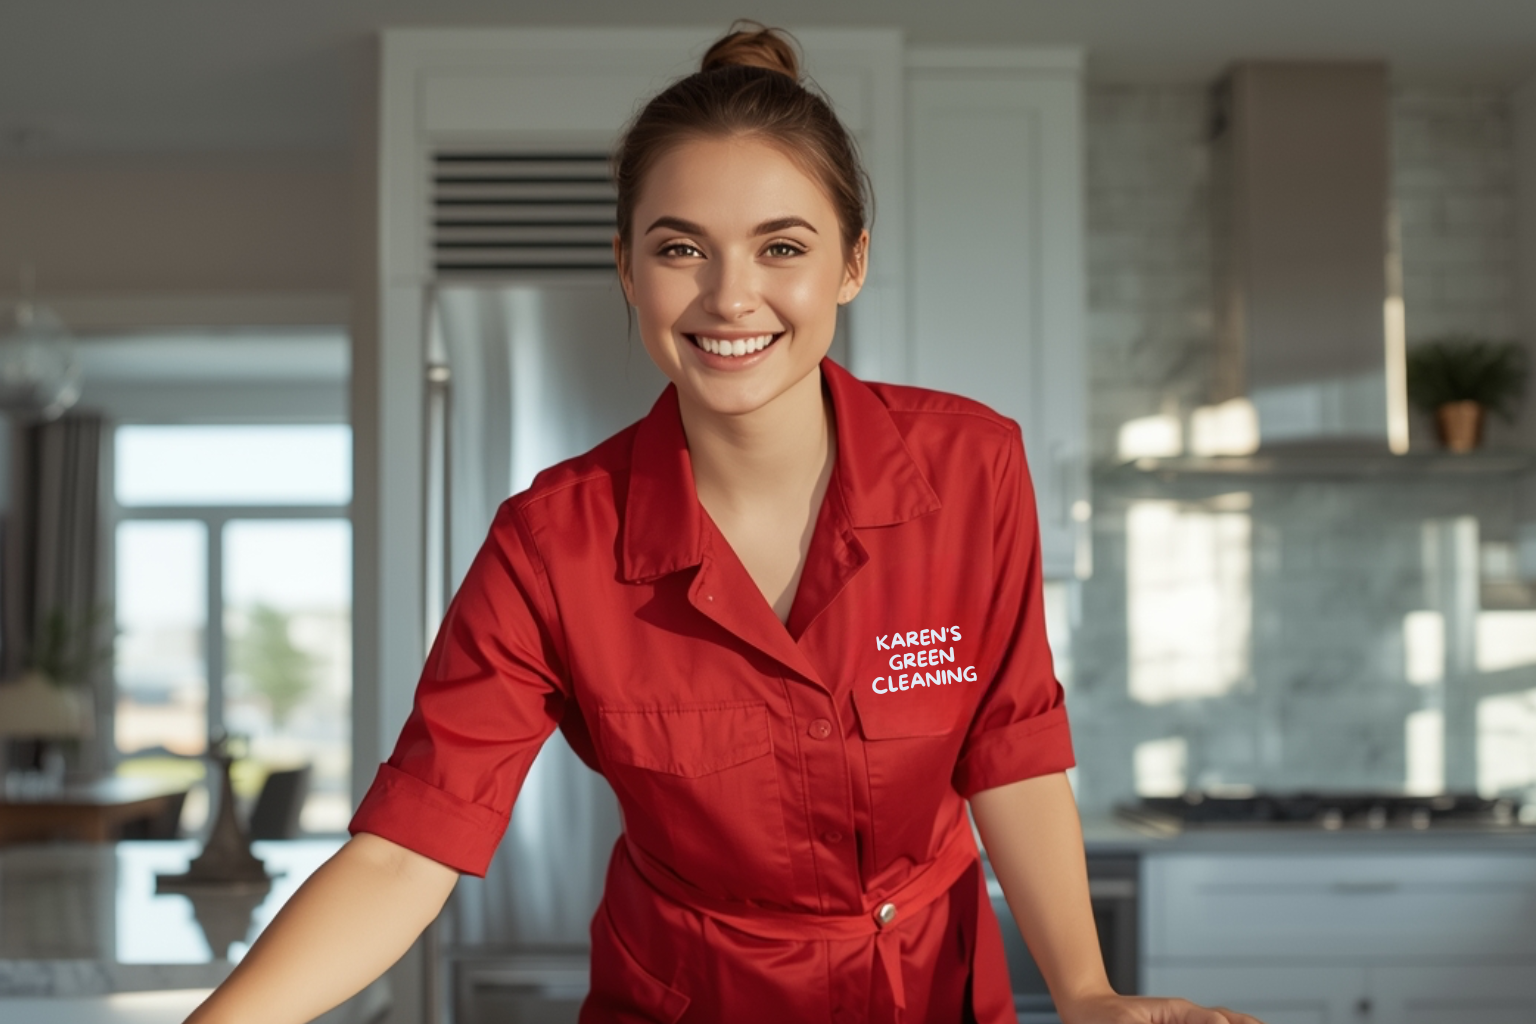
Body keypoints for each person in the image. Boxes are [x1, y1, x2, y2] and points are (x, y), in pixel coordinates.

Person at [186, 24, 1263, 1024]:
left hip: (928, 993)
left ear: (852, 263)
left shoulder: (972, 467)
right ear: (626, 268)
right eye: (680, 248)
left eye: (781, 248)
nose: (730, 298)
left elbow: (1011, 748)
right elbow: (406, 850)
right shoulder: (550, 544)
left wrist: (1084, 990)